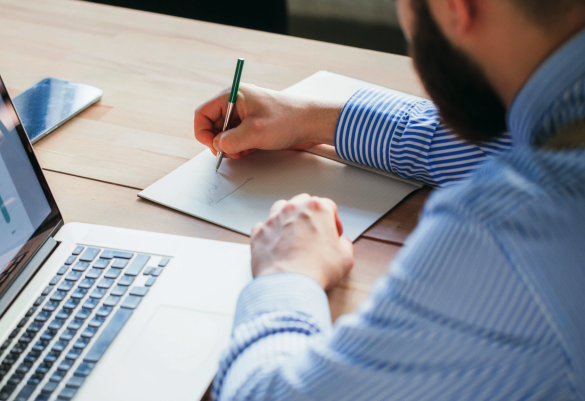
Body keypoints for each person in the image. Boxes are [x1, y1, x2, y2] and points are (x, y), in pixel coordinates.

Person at [193, 0, 585, 399]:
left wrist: (287, 272)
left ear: (455, 8)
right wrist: (313, 117)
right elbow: (506, 143)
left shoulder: (505, 230)